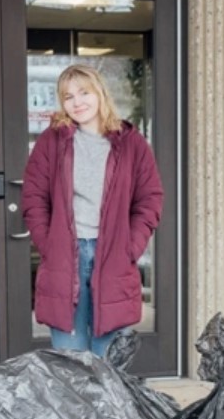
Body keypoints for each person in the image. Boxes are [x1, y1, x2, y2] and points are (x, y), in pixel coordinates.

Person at [22, 64, 163, 357]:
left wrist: (130, 246)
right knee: (71, 365)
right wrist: (49, 244)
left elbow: (149, 199)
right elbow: (33, 198)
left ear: (99, 92)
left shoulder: (131, 144)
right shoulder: (51, 142)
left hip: (112, 256)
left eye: (84, 92)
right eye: (68, 96)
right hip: (65, 257)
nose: (77, 102)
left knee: (109, 363)